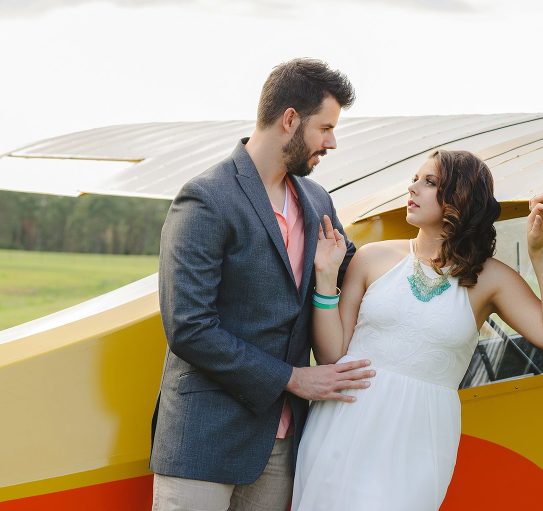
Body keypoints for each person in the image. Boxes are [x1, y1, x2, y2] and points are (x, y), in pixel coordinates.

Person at [292, 149, 543, 510]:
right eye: (414, 179)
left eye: (429, 182)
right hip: (347, 418)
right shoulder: (372, 258)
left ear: (459, 199)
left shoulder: (490, 278)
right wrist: (324, 276)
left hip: (422, 434)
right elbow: (332, 355)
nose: (412, 188)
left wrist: (541, 253)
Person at [150, 58, 376, 511]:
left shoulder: (317, 200)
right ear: (289, 119)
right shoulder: (206, 197)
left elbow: (355, 274)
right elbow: (189, 326)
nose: (332, 142)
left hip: (282, 443)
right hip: (204, 440)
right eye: (325, 128)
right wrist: (293, 378)